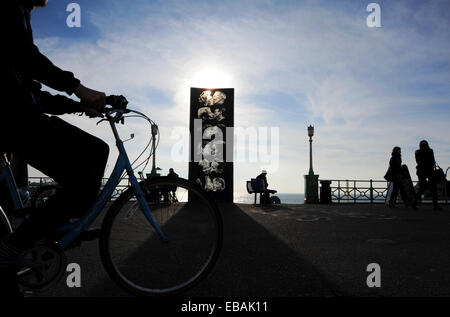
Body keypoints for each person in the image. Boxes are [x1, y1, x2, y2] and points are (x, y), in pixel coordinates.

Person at [0, 0, 109, 296]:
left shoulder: (19, 12)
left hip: (19, 113)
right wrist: (78, 87)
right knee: (92, 154)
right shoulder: (9, 7)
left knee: (93, 153)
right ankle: (37, 234)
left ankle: (45, 230)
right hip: (12, 118)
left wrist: (78, 104)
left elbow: (33, 92)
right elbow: (26, 57)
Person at [415, 140, 441, 210]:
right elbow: (433, 161)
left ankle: (414, 203)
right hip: (430, 171)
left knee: (422, 188)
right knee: (434, 189)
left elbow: (418, 162)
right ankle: (435, 206)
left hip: (421, 171)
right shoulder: (430, 151)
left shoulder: (417, 152)